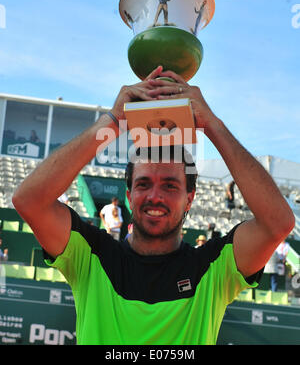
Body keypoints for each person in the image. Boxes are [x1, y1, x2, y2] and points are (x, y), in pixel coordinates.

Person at [12, 66, 295, 345]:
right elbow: (28, 200)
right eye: (144, 184)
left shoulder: (212, 269)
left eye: (170, 186)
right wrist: (111, 122)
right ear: (129, 194)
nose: (155, 196)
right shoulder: (90, 256)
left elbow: (278, 223)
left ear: (190, 198)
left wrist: (212, 124)